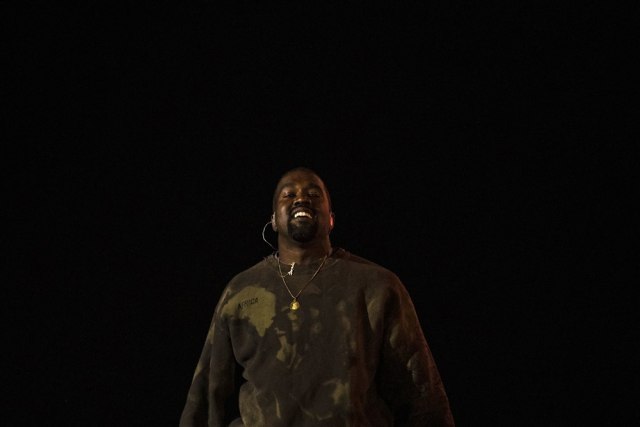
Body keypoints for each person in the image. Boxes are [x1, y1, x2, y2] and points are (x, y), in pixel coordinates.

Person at [179, 166, 455, 426]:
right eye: (289, 195)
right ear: (273, 220)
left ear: (331, 219)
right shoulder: (241, 290)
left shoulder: (377, 285)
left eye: (313, 194)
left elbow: (422, 394)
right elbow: (206, 396)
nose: (301, 199)